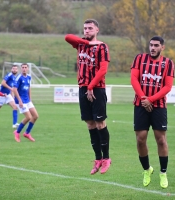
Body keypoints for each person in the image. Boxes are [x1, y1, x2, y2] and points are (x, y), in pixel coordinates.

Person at [65, 19, 111, 175]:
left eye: (90, 28)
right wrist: (86, 42)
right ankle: (97, 159)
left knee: (100, 123)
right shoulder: (81, 44)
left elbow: (103, 70)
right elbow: (67, 37)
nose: (87, 31)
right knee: (90, 125)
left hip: (97, 88)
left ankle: (106, 158)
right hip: (82, 88)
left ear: (97, 29)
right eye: (85, 28)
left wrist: (91, 86)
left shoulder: (102, 47)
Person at [130, 36, 174, 189]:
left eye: (156, 45)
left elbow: (167, 87)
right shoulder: (139, 59)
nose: (153, 48)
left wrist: (151, 99)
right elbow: (134, 80)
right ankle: (147, 170)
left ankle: (163, 173)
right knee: (140, 139)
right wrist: (144, 98)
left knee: (161, 139)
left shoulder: (168, 63)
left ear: (162, 47)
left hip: (159, 106)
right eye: (151, 45)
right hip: (141, 104)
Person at [13, 63, 38, 142]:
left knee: (35, 116)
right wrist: (20, 101)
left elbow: (29, 88)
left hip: (27, 100)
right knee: (28, 117)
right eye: (23, 67)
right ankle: (17, 132)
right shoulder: (19, 77)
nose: (24, 69)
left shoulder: (29, 77)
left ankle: (27, 133)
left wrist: (30, 99)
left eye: (25, 67)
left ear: (28, 68)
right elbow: (14, 89)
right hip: (20, 101)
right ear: (21, 69)